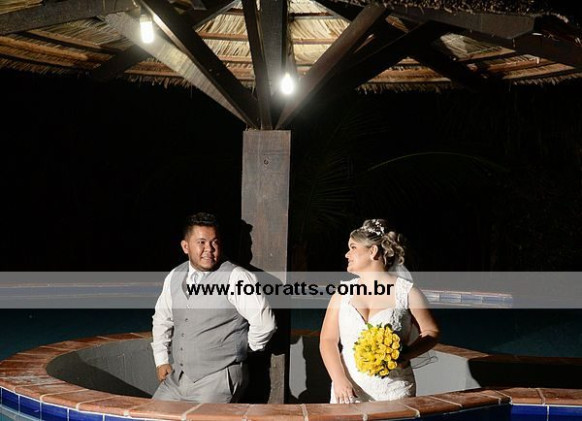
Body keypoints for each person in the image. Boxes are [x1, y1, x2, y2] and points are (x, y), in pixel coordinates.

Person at [151, 212, 276, 403]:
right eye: (201, 242)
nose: (209, 249)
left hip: (218, 379)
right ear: (185, 246)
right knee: (149, 415)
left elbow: (265, 324)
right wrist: (161, 360)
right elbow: (162, 319)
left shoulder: (237, 277)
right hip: (178, 377)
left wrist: (242, 348)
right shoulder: (175, 275)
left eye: (214, 242)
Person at [320, 219, 439, 403]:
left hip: (394, 390)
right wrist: (339, 380)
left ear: (373, 251)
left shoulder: (407, 293)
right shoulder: (342, 293)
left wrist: (403, 355)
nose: (347, 254)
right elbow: (327, 340)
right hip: (348, 392)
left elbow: (431, 332)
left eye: (353, 247)